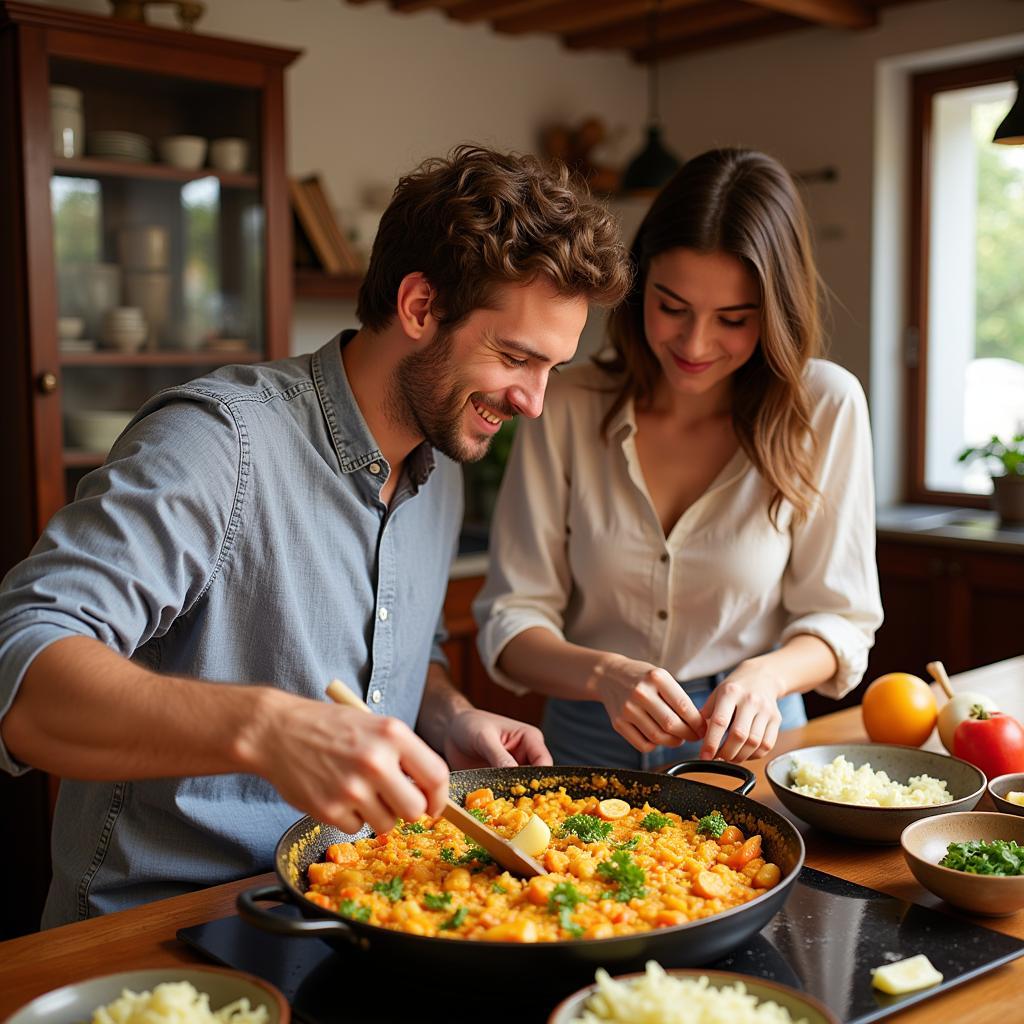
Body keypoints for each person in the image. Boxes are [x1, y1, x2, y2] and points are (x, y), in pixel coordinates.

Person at [0, 145, 630, 926]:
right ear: (420, 306)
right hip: (171, 929)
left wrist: (449, 716)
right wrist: (263, 729)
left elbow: (402, 656)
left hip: (353, 907)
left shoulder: (443, 461)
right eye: (515, 357)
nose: (533, 403)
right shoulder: (216, 444)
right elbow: (22, 669)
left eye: (551, 370)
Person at [474, 147, 883, 770]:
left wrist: (766, 677)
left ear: (775, 315)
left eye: (734, 319)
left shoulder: (824, 405)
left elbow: (842, 618)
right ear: (638, 289)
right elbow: (512, 619)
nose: (694, 344)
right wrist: (603, 672)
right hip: (585, 740)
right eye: (671, 307)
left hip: (753, 744)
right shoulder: (566, 404)